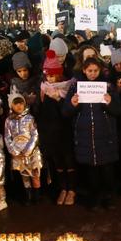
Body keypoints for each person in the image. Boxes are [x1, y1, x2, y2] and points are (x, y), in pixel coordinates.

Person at [64, 57, 121, 211]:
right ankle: (95, 198)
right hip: (85, 137)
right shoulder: (76, 87)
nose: (93, 74)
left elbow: (118, 111)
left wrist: (109, 103)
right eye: (90, 70)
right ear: (84, 70)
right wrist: (72, 104)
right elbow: (66, 112)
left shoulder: (108, 86)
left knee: (107, 170)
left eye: (96, 70)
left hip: (105, 135)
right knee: (92, 172)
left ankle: (109, 197)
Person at [39, 50, 76, 206]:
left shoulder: (67, 88)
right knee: (58, 163)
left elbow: (68, 112)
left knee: (69, 162)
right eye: (48, 76)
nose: (50, 79)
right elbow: (40, 111)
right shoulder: (43, 89)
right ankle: (63, 188)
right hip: (50, 133)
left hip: (65, 131)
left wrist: (58, 99)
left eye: (53, 75)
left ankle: (72, 189)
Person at [4, 93, 43, 205]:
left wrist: (28, 149)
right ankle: (28, 196)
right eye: (16, 104)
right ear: (11, 105)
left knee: (35, 173)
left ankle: (37, 196)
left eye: (21, 103)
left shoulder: (30, 118)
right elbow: (7, 136)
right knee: (24, 175)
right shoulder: (9, 120)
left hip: (31, 150)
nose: (19, 106)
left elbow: (35, 134)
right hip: (18, 152)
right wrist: (13, 150)